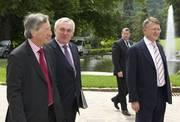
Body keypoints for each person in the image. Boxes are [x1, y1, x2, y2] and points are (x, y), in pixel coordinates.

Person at [6, 13, 65, 122]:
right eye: (47, 29)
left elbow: (52, 83)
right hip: (29, 117)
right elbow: (14, 94)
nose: (50, 33)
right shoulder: (17, 56)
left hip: (51, 114)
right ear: (33, 32)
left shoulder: (48, 50)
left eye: (50, 29)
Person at [127, 17, 172, 122]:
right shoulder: (135, 50)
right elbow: (131, 77)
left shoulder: (160, 47)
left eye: (158, 29)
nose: (156, 32)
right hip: (144, 98)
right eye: (154, 29)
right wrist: (134, 99)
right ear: (145, 30)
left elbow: (163, 70)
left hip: (161, 95)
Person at [48, 17, 83, 122]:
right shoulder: (47, 49)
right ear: (55, 31)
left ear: (72, 33)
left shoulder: (73, 47)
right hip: (55, 105)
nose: (65, 33)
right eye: (62, 29)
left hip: (73, 102)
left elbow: (76, 74)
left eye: (69, 30)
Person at [111, 28, 133, 116]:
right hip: (121, 72)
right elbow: (115, 59)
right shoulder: (117, 44)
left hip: (129, 71)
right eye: (124, 33)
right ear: (122, 34)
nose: (126, 35)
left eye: (127, 34)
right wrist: (119, 70)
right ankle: (124, 109)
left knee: (128, 89)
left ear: (129, 34)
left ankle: (116, 99)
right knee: (123, 90)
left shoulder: (131, 43)